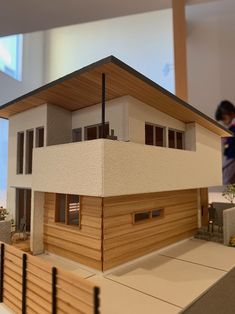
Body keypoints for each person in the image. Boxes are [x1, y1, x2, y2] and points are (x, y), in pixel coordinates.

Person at [215, 100, 235, 184]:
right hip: (231, 155)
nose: (223, 121)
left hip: (233, 156)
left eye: (224, 118)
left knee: (226, 180)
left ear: (231, 113)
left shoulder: (233, 127)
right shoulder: (231, 128)